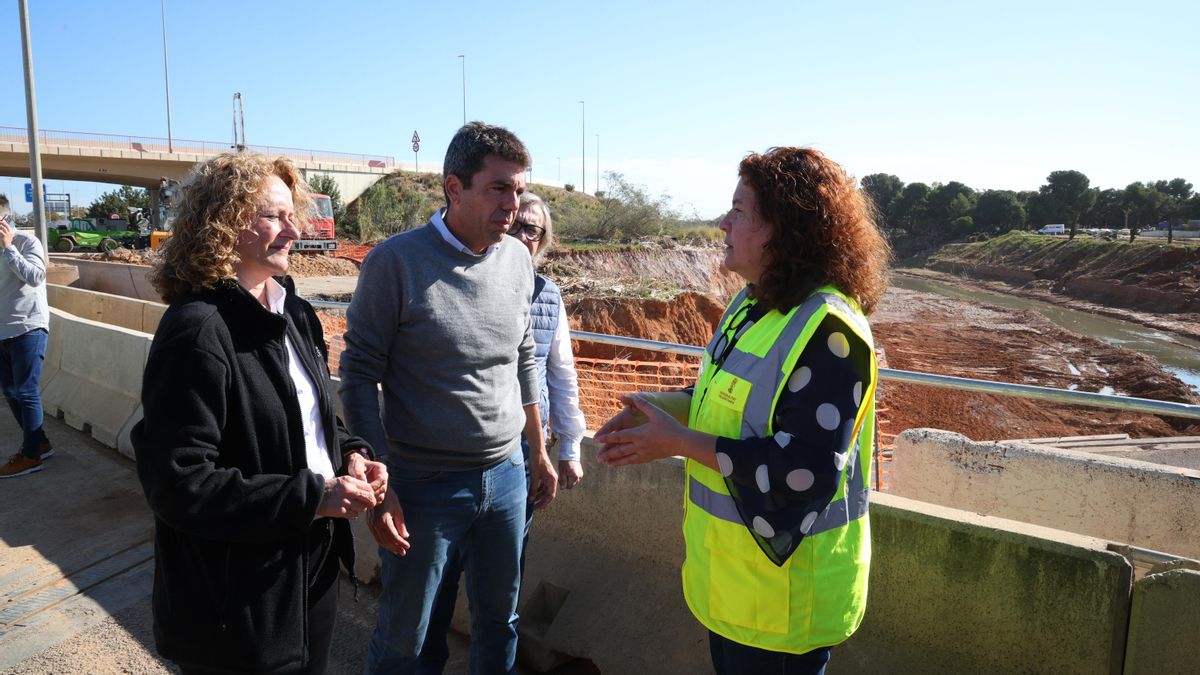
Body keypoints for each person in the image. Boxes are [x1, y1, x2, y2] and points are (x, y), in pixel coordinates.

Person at [595, 147, 890, 674]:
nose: (722, 223)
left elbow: (804, 471)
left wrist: (678, 443)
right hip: (736, 590)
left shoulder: (829, 332)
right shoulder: (751, 304)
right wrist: (654, 411)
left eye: (738, 210)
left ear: (785, 228)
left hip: (787, 602)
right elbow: (723, 395)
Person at [131, 153, 387, 674]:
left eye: (292, 214)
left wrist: (351, 454)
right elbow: (177, 483)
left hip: (307, 563)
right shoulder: (198, 331)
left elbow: (312, 423)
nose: (293, 228)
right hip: (236, 597)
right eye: (273, 215)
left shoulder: (294, 312)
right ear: (222, 224)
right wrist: (314, 495)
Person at [339, 122, 558, 674]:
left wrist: (538, 450)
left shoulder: (516, 259)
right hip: (423, 485)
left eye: (518, 189)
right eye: (498, 188)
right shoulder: (395, 262)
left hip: (507, 479)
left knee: (498, 623)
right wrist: (379, 481)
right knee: (408, 638)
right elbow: (359, 373)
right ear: (454, 188)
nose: (513, 204)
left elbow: (524, 356)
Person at [416, 192, 587, 672]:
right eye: (516, 227)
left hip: (524, 460)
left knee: (501, 593)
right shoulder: (459, 280)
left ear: (542, 242)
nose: (522, 236)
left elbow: (560, 372)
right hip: (455, 460)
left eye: (532, 230)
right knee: (441, 583)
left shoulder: (548, 296)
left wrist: (568, 446)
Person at [0, 196, 53, 478]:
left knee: (26, 391)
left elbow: (35, 276)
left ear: (6, 220)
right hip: (2, 331)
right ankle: (40, 441)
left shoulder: (26, 243)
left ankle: (31, 455)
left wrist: (8, 248)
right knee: (10, 392)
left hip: (28, 327)